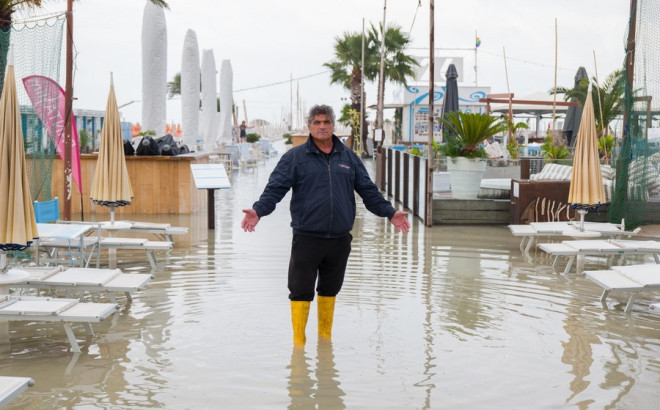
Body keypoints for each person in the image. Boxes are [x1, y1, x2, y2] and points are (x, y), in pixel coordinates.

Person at [241, 104, 410, 346]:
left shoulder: (348, 157)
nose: (322, 126)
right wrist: (258, 211)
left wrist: (390, 212)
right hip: (307, 236)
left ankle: (325, 343)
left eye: (327, 122)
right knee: (300, 291)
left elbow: (368, 191)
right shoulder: (295, 158)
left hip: (340, 239)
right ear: (309, 127)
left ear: (333, 126)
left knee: (330, 290)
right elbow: (274, 190)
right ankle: (298, 346)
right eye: (317, 122)